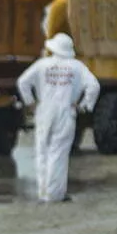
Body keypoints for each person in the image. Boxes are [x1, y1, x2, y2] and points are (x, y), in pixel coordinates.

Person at [17, 32, 100, 203]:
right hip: (66, 112)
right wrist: (85, 105)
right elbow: (94, 86)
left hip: (44, 111)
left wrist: (30, 102)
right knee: (59, 153)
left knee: (42, 152)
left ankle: (43, 193)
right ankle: (56, 194)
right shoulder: (77, 66)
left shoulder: (42, 65)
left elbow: (22, 82)